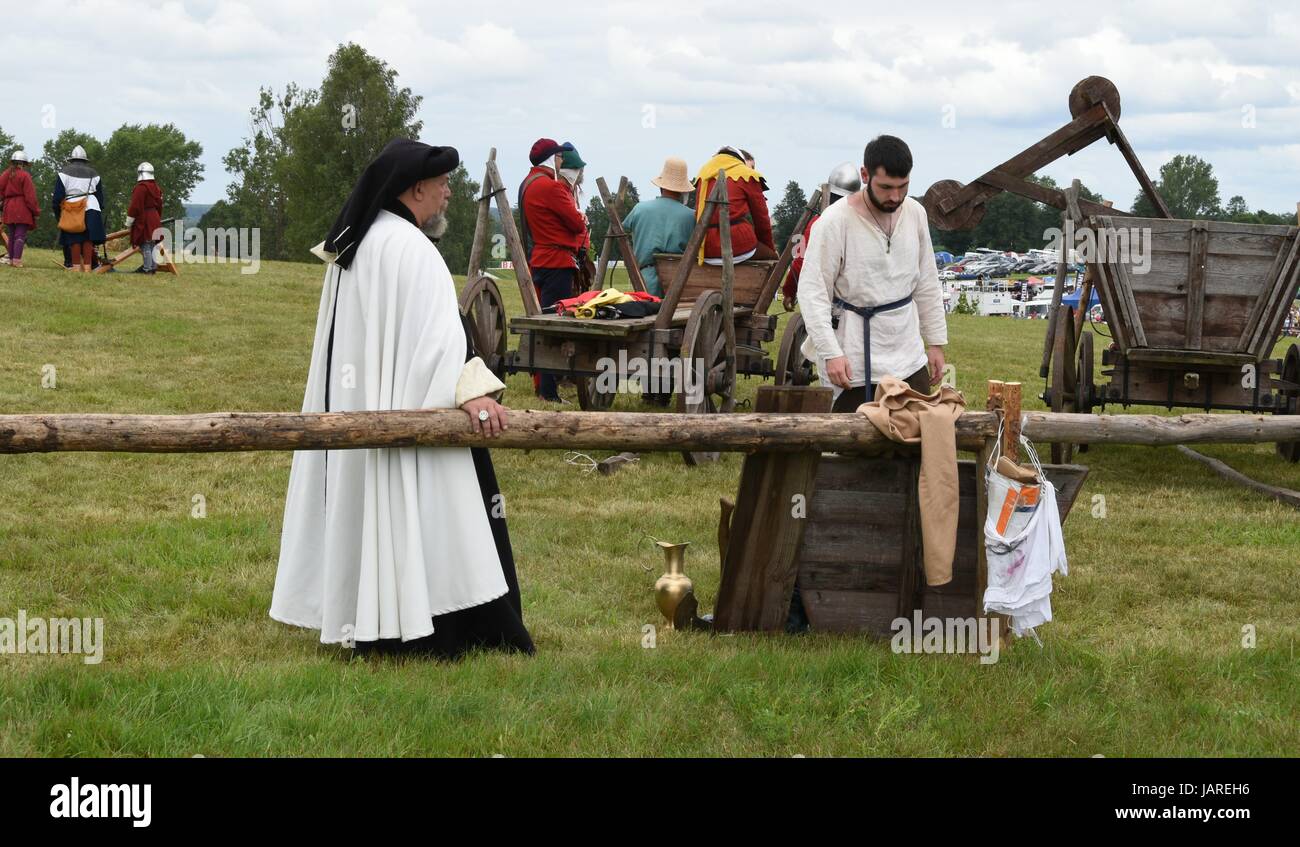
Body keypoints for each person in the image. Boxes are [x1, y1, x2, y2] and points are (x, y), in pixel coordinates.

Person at [271, 139, 534, 661]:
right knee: (452, 508)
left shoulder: (358, 245)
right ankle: (448, 626)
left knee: (373, 504)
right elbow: (441, 346)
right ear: (416, 188)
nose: (449, 195)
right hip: (417, 420)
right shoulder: (414, 250)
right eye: (442, 186)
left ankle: (372, 621)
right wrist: (473, 394)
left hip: (363, 421)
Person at [797, 135, 948, 414]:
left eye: (903, 187)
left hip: (907, 354)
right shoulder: (833, 222)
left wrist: (936, 342)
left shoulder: (915, 213)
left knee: (913, 440)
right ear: (865, 175)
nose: (895, 197)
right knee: (853, 448)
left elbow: (927, 281)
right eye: (886, 187)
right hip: (853, 355)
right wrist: (832, 353)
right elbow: (812, 292)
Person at [519, 137, 589, 403]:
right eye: (558, 156)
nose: (561, 161)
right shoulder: (551, 187)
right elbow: (575, 224)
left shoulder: (529, 184)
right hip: (557, 262)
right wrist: (580, 218)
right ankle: (548, 391)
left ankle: (544, 385)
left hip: (540, 258)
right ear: (551, 159)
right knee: (552, 325)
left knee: (544, 322)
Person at [781, 162, 860, 311]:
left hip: (825, 301)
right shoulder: (864, 225)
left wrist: (789, 291)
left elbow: (800, 261)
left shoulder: (817, 224)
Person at [621, 156, 696, 297]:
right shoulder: (691, 216)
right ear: (683, 190)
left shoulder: (639, 209)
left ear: (661, 185)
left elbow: (622, 231)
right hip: (678, 282)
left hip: (644, 280)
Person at [693, 145, 776, 264]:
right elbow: (762, 221)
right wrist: (769, 248)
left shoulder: (703, 174)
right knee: (773, 258)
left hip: (705, 248)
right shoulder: (747, 175)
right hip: (739, 246)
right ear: (739, 161)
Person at [53, 145, 107, 273]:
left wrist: (59, 213)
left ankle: (76, 268)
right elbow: (99, 197)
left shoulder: (63, 173)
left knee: (74, 239)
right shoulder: (94, 174)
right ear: (85, 160)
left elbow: (58, 197)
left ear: (71, 160)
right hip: (92, 206)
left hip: (72, 207)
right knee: (88, 239)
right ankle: (88, 268)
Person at [0, 150, 39, 268]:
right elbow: (30, 196)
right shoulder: (24, 175)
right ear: (23, 163)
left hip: (9, 206)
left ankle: (11, 259)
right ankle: (16, 260)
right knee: (20, 235)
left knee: (12, 235)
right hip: (21, 207)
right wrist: (35, 211)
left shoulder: (5, 174)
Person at [126, 162, 164, 274]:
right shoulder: (157, 187)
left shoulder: (141, 188)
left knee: (145, 244)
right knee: (151, 244)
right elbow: (160, 205)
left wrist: (129, 222)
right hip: (154, 216)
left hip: (145, 217)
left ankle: (147, 268)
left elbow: (135, 206)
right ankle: (153, 267)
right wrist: (157, 218)